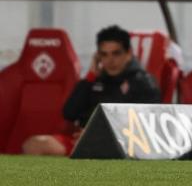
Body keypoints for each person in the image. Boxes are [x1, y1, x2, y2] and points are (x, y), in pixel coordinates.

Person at [21, 26, 161, 156]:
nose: (110, 60)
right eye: (104, 54)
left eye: (116, 54)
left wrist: (100, 137)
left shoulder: (143, 82)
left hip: (122, 143)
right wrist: (90, 76)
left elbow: (147, 126)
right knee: (34, 144)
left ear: (128, 53)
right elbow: (69, 113)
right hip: (82, 140)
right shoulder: (94, 80)